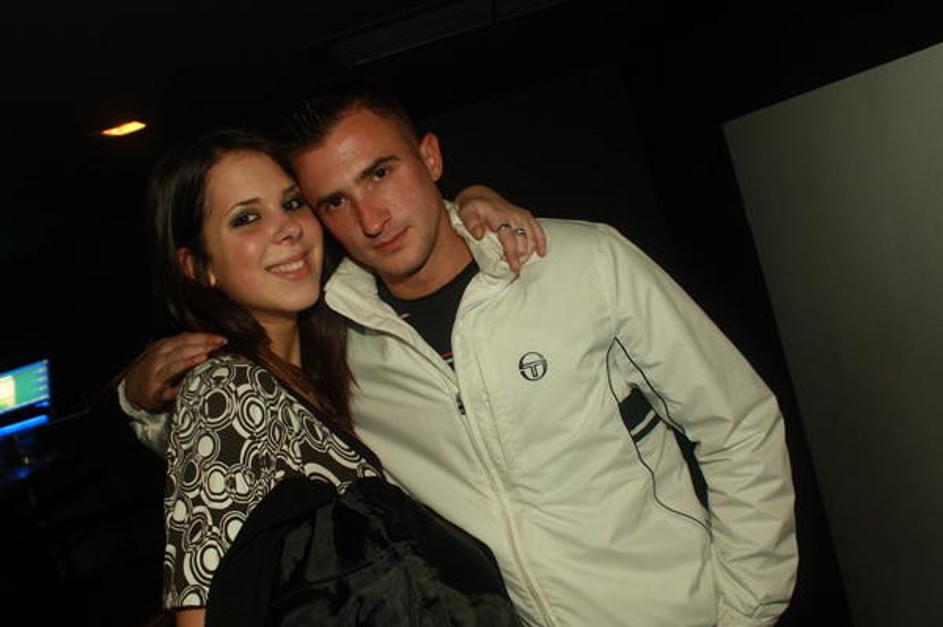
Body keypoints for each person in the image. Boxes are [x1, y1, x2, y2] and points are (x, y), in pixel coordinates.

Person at [125, 83, 797, 627]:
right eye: (333, 201)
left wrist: (744, 608)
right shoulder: (341, 336)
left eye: (381, 173)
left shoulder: (580, 263)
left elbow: (737, 424)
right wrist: (143, 401)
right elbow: (246, 442)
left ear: (431, 158)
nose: (372, 218)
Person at [145, 129, 530, 626]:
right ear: (200, 268)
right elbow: (203, 610)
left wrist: (472, 202)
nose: (287, 229)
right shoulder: (225, 390)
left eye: (291, 204)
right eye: (246, 218)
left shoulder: (337, 361)